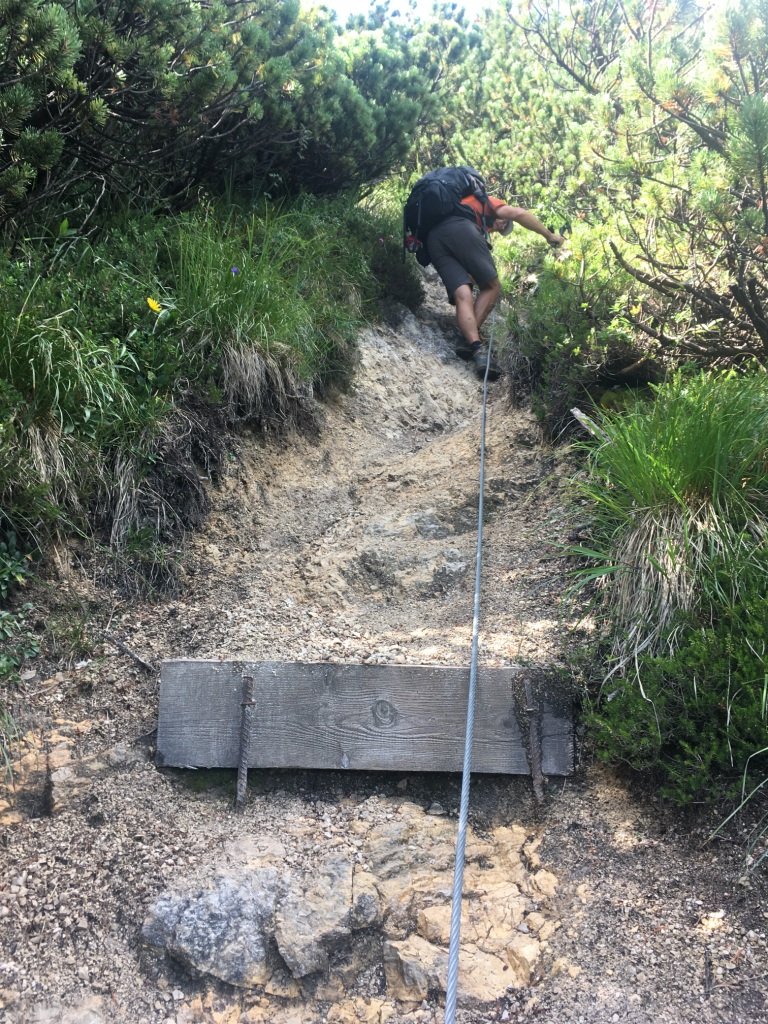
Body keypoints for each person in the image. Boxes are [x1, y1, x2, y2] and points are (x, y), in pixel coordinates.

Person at [427, 190, 565, 380]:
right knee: (492, 286)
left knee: (463, 292)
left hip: (433, 239)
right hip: (461, 230)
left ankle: (473, 345)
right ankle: (471, 341)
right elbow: (519, 214)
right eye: (503, 225)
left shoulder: (458, 206)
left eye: (501, 229)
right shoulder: (490, 203)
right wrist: (549, 235)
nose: (500, 226)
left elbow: (469, 275)